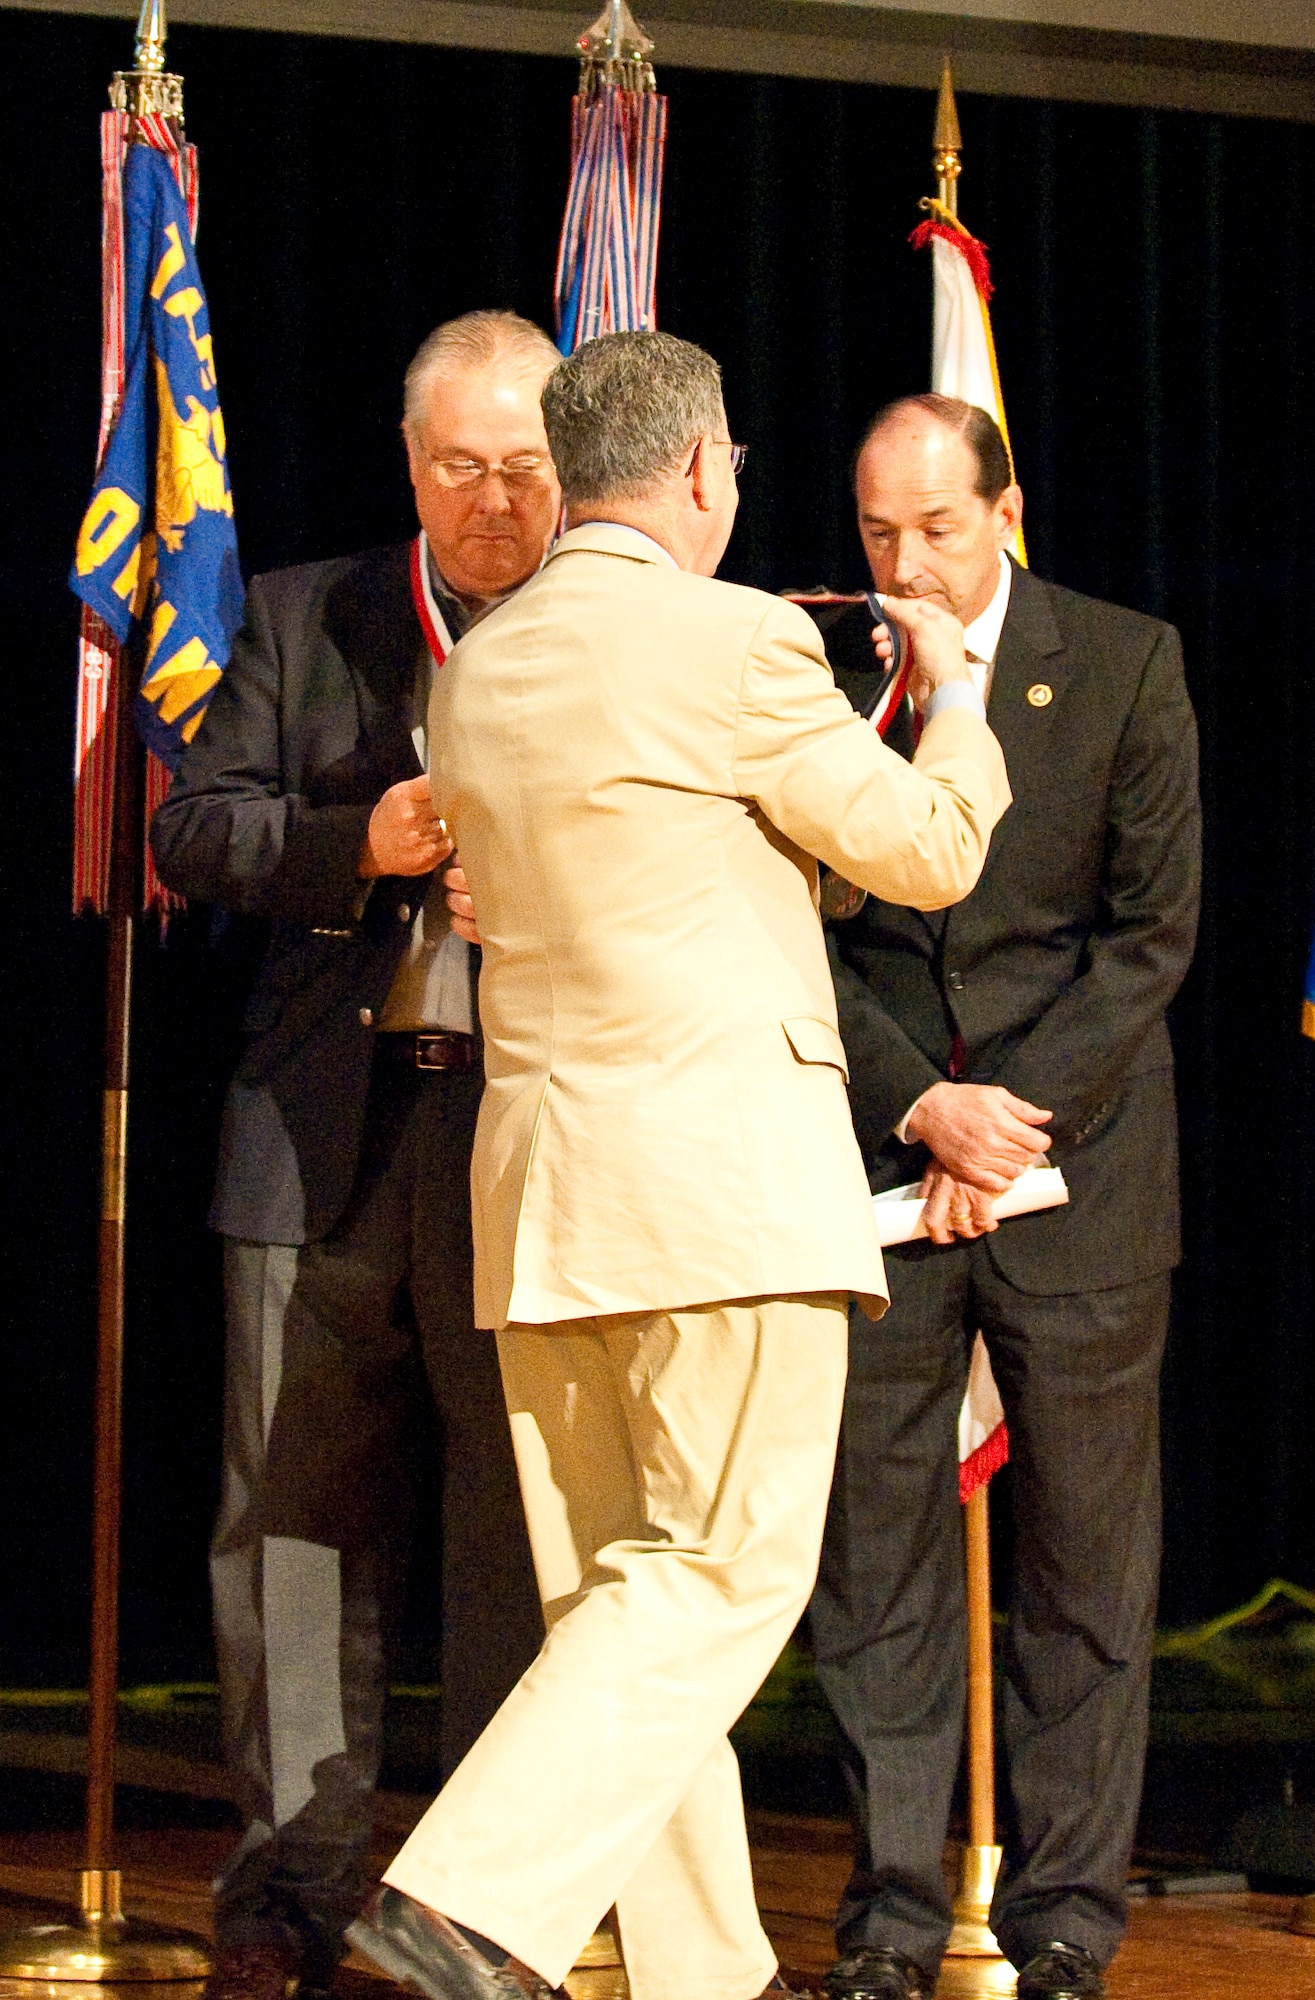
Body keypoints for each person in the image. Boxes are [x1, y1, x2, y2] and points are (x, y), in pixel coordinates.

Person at [344, 330, 1011, 2000]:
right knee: (714, 1584)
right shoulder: (736, 642)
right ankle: (464, 1900)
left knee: (623, 1626)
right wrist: (962, 699)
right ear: (705, 468)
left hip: (549, 1202)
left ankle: (709, 1973)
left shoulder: (478, 664)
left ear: (574, 474)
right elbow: (926, 853)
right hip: (717, 1200)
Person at [151, 310, 560, 2000]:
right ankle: (295, 1872)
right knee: (294, 1512)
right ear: (413, 468)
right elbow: (190, 826)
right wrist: (356, 841)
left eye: (528, 466)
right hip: (322, 1128)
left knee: (507, 1519)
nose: (493, 501)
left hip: (522, 1137)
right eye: (462, 466)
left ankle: (475, 1882)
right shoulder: (306, 611)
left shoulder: (614, 640)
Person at [805, 394, 1202, 2000]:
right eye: (880, 533)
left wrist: (1008, 1129)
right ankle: (895, 1922)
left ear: (1006, 510)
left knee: (1083, 1577)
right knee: (876, 1568)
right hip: (884, 1165)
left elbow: (1150, 935)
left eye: (938, 529)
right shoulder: (816, 680)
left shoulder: (1124, 660)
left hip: (1081, 1178)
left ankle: (1062, 1926)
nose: (907, 563)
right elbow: (797, 930)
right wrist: (924, 1106)